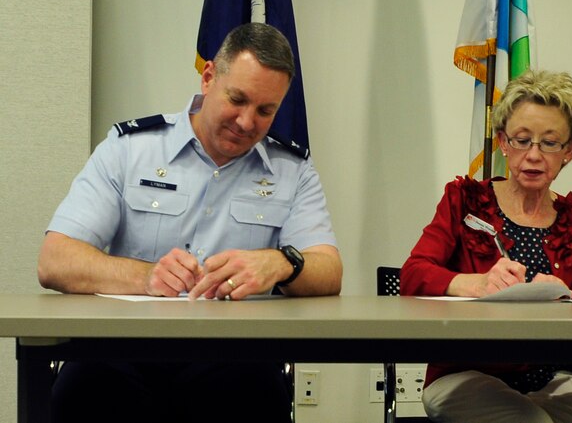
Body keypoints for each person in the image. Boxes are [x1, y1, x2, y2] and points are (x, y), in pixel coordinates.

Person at [37, 22, 343, 423]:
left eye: (265, 110)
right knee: (83, 393)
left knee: (256, 393)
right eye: (238, 99)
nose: (248, 122)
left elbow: (329, 270)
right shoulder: (131, 149)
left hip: (235, 361)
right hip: (124, 353)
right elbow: (55, 260)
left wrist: (281, 262)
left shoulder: (292, 169)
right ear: (209, 77)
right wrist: (145, 278)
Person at [401, 70, 572, 423]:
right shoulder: (464, 201)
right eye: (522, 140)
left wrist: (564, 301)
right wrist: (474, 283)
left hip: (553, 374)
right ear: (502, 142)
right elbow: (412, 275)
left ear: (570, 150)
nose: (534, 155)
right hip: (463, 371)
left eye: (550, 142)